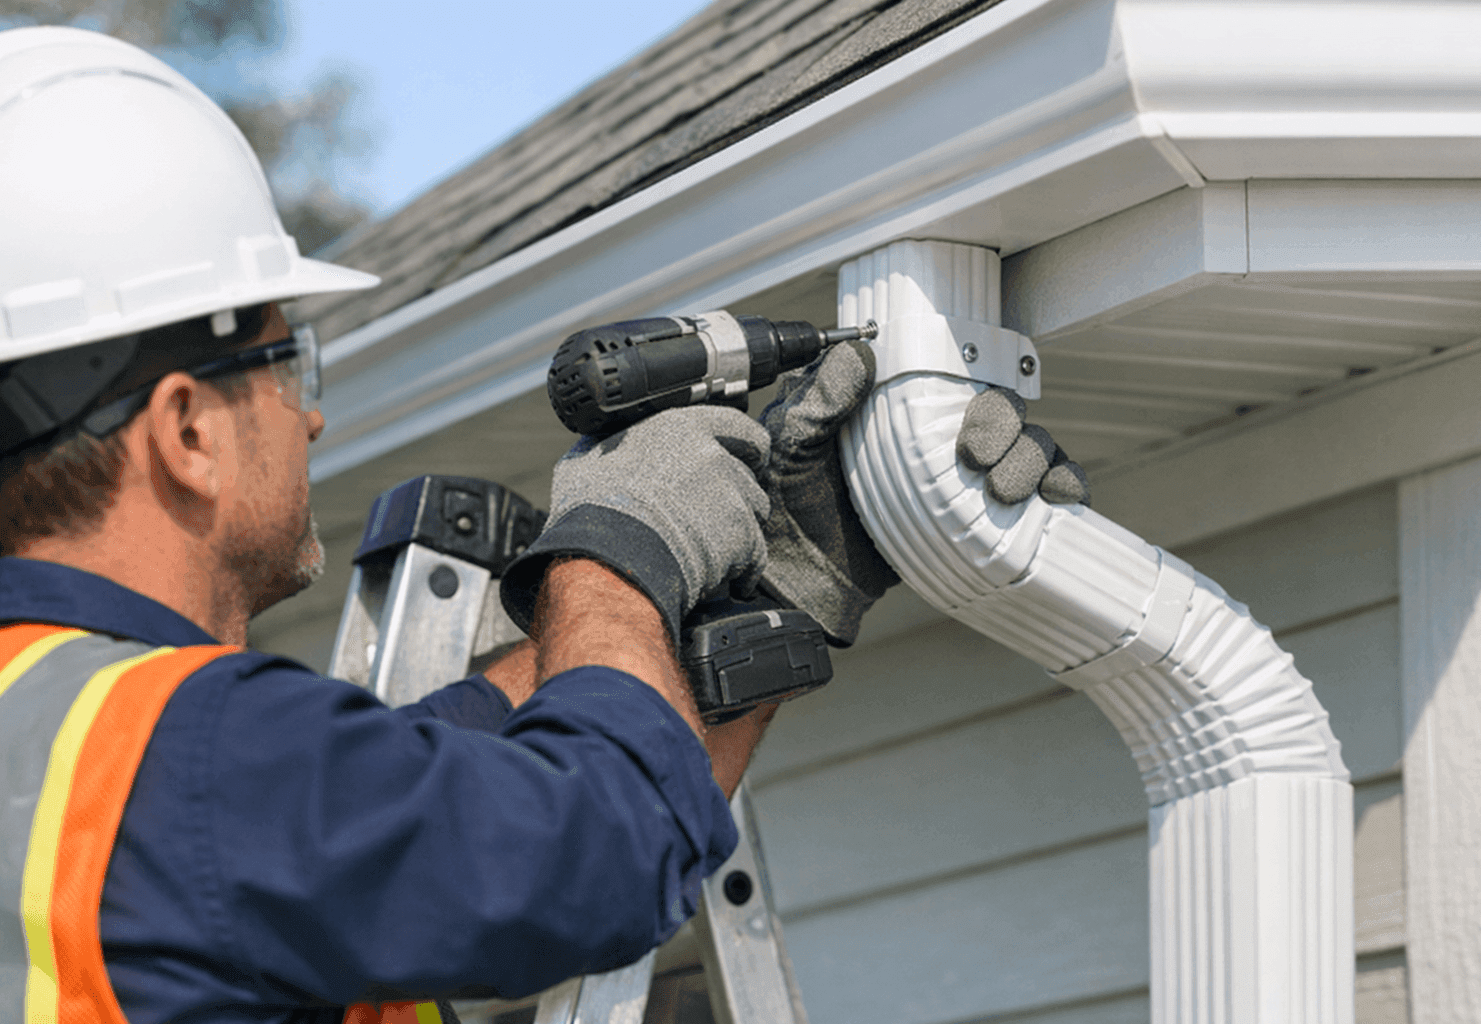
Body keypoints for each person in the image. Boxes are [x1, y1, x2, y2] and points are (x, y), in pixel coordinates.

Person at [0, 25, 1085, 1024]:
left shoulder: (76, 751)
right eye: (290, 368)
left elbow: (459, 783)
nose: (311, 415)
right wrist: (612, 549)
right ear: (186, 431)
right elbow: (592, 850)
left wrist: (780, 588)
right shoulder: (181, 756)